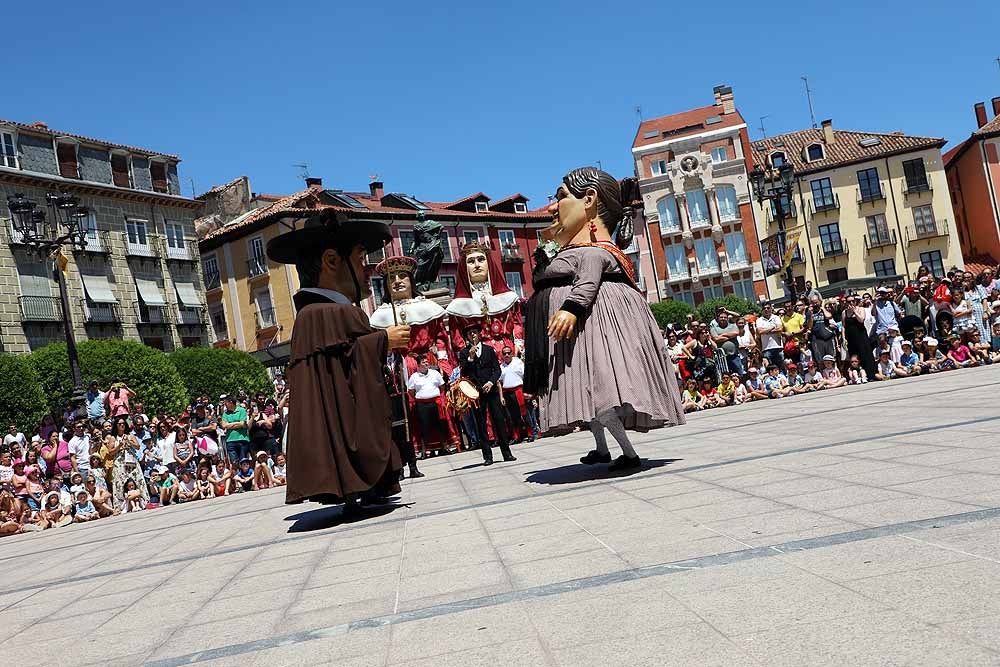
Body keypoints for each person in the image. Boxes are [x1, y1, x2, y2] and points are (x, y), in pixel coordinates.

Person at [524, 167, 685, 471]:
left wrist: (571, 307)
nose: (551, 207)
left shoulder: (598, 252)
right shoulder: (580, 250)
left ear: (589, 200)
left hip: (591, 326)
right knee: (588, 394)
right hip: (577, 335)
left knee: (598, 392)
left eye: (561, 196)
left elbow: (590, 272)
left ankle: (627, 452)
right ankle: (601, 449)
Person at [266, 209, 404, 508]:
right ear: (331, 261)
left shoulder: (311, 314)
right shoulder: (336, 312)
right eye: (359, 260)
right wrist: (383, 341)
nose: (366, 271)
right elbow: (351, 364)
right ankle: (356, 479)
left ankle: (353, 484)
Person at [446, 240, 524, 358]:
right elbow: (457, 337)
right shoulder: (458, 306)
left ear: (489, 263)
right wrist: (467, 356)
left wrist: (518, 343)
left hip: (508, 353)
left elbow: (517, 322)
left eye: (481, 259)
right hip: (479, 357)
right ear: (464, 267)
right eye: (471, 262)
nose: (477, 265)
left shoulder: (508, 298)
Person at [460, 325, 516, 466]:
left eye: (474, 332)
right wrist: (470, 358)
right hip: (476, 393)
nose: (472, 335)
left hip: (491, 391)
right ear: (466, 337)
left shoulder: (489, 350)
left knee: (498, 420)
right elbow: (464, 372)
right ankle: (487, 456)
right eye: (469, 333)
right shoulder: (464, 353)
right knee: (481, 423)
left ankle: (506, 453)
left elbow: (497, 370)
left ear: (479, 334)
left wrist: (491, 382)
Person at [406, 357, 448, 462]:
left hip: (435, 403)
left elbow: (442, 386)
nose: (426, 363)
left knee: (440, 425)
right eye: (423, 362)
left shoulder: (434, 373)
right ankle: (424, 451)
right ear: (418, 365)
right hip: (422, 405)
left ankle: (444, 448)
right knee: (424, 428)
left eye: (427, 362)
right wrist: (421, 397)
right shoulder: (414, 377)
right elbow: (411, 391)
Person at [499, 346, 531, 442]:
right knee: (512, 416)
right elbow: (499, 383)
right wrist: (501, 397)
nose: (507, 355)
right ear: (502, 355)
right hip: (507, 392)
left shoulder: (518, 363)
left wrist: (527, 391)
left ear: (512, 353)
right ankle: (517, 436)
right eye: (504, 353)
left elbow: (526, 377)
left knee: (524, 413)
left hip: (519, 390)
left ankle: (530, 434)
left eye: (508, 353)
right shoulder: (501, 367)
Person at [710, 308, 743, 376]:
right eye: (721, 317)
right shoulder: (714, 326)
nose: (723, 319)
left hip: (734, 355)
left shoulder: (732, 324)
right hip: (722, 357)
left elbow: (736, 333)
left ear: (727, 318)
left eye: (725, 317)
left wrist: (723, 335)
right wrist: (730, 336)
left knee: (739, 374)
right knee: (725, 376)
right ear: (718, 318)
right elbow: (716, 339)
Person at [220, 395, 250, 466]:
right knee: (234, 463)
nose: (225, 405)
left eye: (225, 403)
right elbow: (224, 426)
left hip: (242, 439)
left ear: (230, 402)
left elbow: (242, 424)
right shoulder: (225, 413)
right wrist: (237, 423)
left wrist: (229, 424)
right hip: (230, 440)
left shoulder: (242, 410)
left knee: (244, 462)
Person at [756, 303, 785, 369]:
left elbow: (780, 329)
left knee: (781, 368)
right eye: (764, 308)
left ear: (771, 309)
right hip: (766, 349)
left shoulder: (776, 317)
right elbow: (760, 331)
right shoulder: (759, 320)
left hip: (778, 347)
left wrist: (766, 331)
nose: (766, 309)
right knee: (770, 369)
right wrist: (773, 327)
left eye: (768, 308)